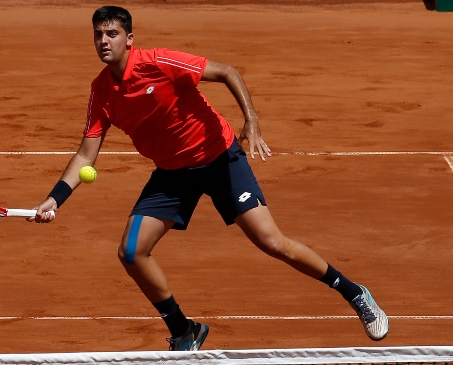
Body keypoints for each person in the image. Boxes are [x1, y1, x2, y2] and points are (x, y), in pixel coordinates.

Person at [28, 5, 389, 350]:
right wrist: (55, 198)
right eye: (98, 35)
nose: (104, 41)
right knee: (131, 252)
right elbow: (85, 155)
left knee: (271, 242)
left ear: (129, 38)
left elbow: (228, 71)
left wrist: (252, 121)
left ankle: (354, 291)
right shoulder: (101, 91)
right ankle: (184, 330)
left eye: (112, 33)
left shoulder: (158, 62)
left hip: (220, 159)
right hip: (172, 173)